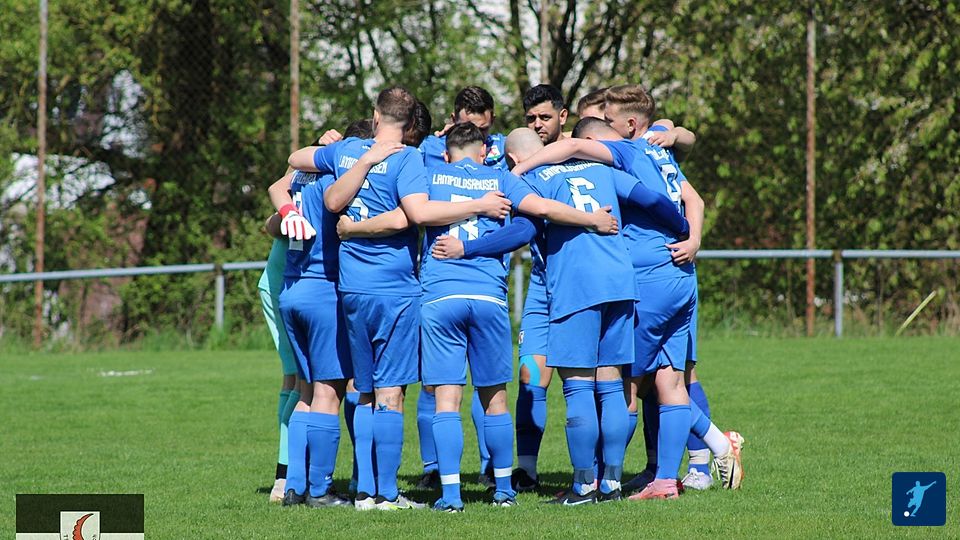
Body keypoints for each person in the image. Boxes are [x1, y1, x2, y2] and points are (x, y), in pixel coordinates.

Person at [511, 88, 744, 498]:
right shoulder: (658, 150)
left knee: (624, 384)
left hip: (646, 275)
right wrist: (691, 237)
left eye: (608, 121)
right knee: (670, 379)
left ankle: (605, 479)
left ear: (628, 125)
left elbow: (578, 150)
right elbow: (693, 196)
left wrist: (522, 169)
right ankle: (666, 479)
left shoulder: (627, 150)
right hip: (681, 272)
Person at [288, 86, 512, 511]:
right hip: (394, 289)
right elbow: (416, 214)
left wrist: (352, 158)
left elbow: (303, 167)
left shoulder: (348, 150)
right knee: (390, 394)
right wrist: (479, 206)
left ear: (375, 115)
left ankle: (356, 491)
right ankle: (386, 494)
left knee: (363, 391)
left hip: (351, 288)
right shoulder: (407, 159)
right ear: (410, 125)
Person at [257, 226, 298, 503]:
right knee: (303, 381)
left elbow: (270, 224)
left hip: (280, 282)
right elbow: (271, 225)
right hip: (284, 286)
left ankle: (285, 477)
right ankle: (285, 477)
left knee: (293, 377)